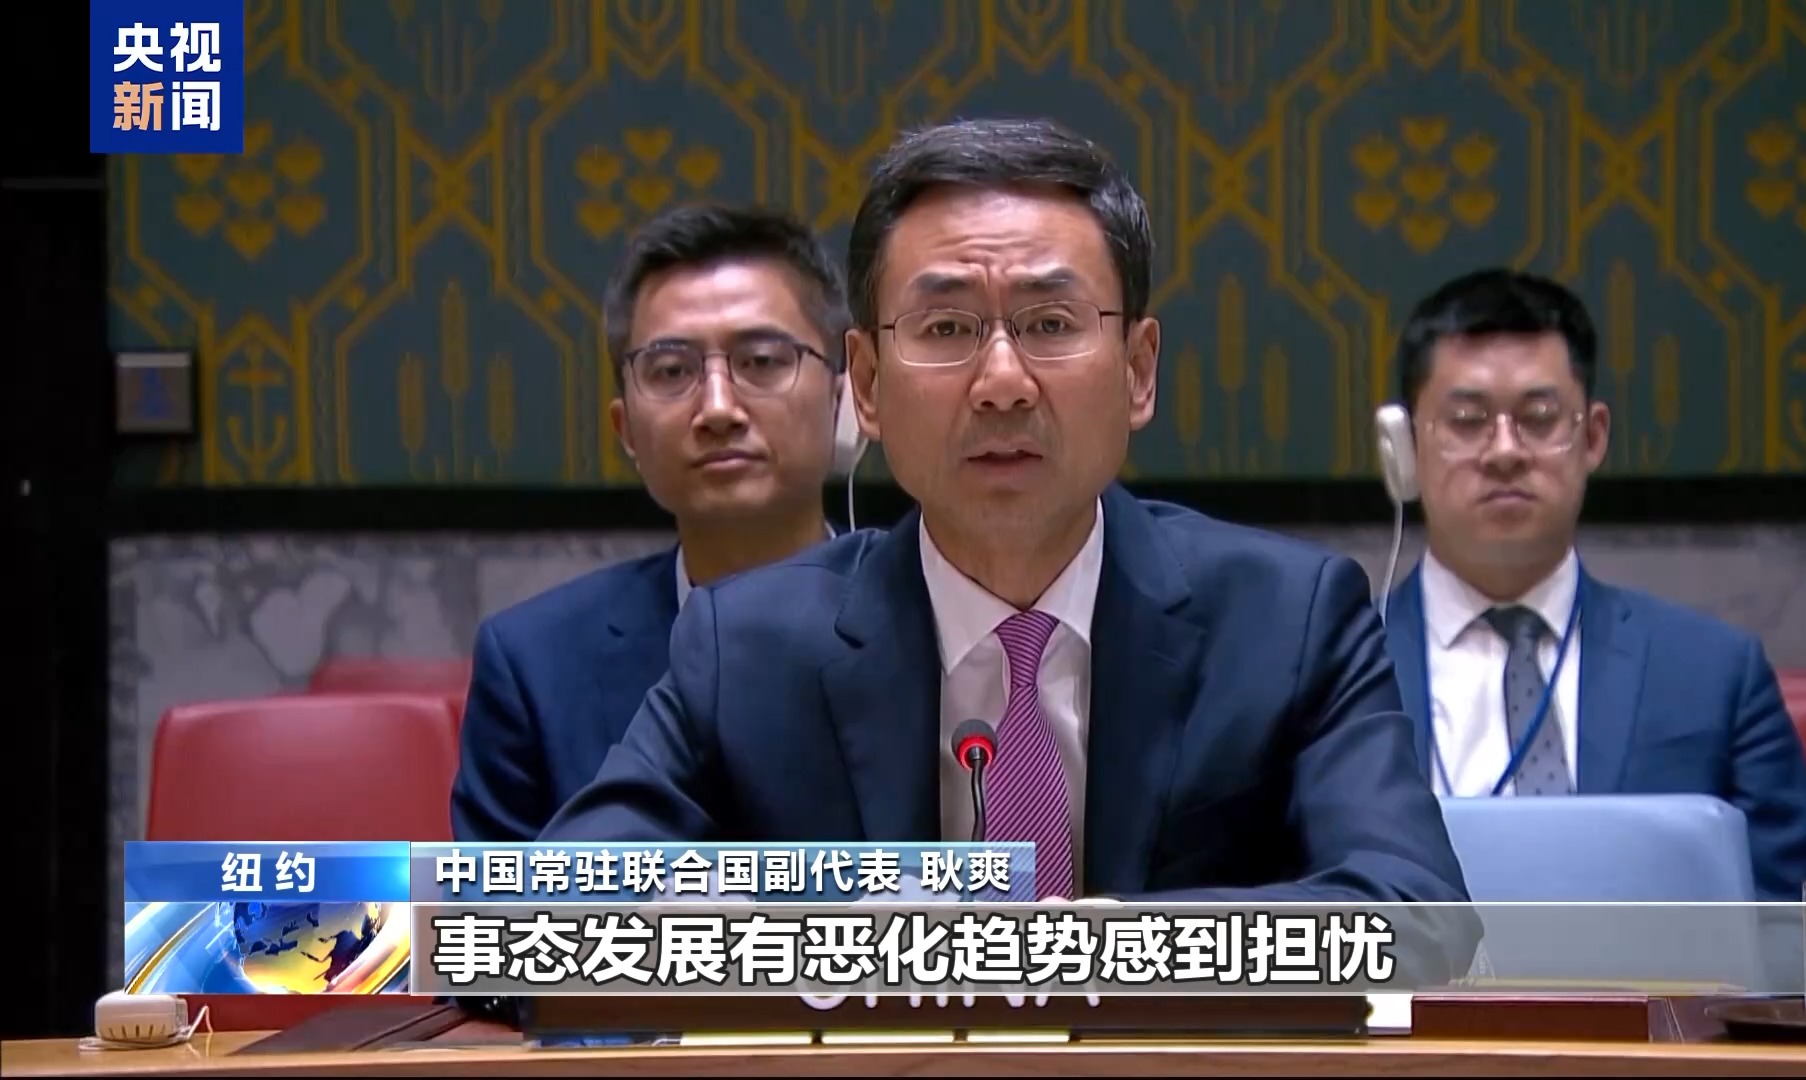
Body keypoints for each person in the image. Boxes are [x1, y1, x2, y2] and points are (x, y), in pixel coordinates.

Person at [541, 117, 1476, 973]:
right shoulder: (746, 646)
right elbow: (543, 918)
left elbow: (1419, 918)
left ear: (1138, 371)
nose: (1001, 382)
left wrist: (1088, 951)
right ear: (865, 384)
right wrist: (829, 937)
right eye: (946, 328)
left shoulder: (1287, 619)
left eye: (1050, 325)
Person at [1377, 267, 1806, 902]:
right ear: (1404, 448)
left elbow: (1794, 930)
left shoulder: (1713, 677)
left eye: (1539, 418)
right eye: (1467, 420)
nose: (1505, 451)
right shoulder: (1330, 674)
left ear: (1592, 438)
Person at [450, 203, 858, 843]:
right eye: (672, 371)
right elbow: (495, 904)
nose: (718, 409)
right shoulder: (533, 666)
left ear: (844, 398)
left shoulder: (929, 621)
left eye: (761, 361)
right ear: (626, 431)